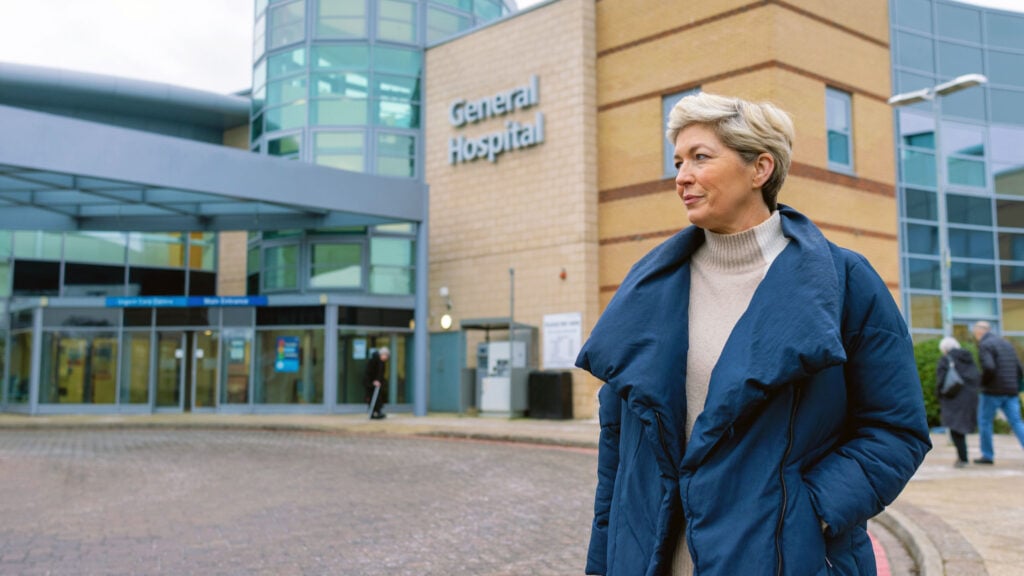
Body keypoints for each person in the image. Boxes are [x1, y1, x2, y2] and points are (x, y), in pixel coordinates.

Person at [577, 92, 931, 576]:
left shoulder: (845, 281)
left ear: (760, 168)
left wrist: (809, 511)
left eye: (701, 157)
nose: (682, 176)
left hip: (785, 559)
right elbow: (616, 452)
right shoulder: (647, 289)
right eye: (678, 161)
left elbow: (895, 429)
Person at [971, 321, 1024, 464]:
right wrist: (1016, 386)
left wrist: (983, 383)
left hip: (992, 391)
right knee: (1017, 422)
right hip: (1011, 390)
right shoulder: (1006, 344)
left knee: (985, 422)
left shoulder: (985, 345)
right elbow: (1019, 368)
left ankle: (987, 455)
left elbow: (989, 367)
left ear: (980, 332)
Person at [935, 337, 980, 468]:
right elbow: (977, 376)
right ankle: (963, 457)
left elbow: (941, 381)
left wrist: (939, 395)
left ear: (944, 349)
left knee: (955, 428)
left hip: (952, 397)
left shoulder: (946, 360)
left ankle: (962, 458)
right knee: (961, 428)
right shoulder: (969, 358)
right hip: (969, 397)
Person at [364, 346, 390, 419]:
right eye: (386, 355)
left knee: (378, 398)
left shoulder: (382, 362)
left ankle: (378, 412)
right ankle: (373, 413)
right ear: (382, 354)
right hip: (371, 383)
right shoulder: (374, 360)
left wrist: (380, 381)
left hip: (377, 383)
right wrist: (373, 381)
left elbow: (380, 374)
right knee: (372, 397)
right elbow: (369, 372)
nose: (387, 357)